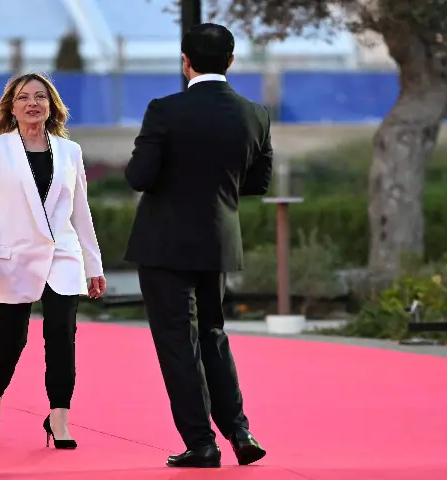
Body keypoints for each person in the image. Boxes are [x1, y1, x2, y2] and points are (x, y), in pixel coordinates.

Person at [123, 24, 273, 468]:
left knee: (177, 342)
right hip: (218, 242)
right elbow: (258, 183)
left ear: (185, 61)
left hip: (164, 245)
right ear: (230, 61)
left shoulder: (165, 110)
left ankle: (201, 442)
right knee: (213, 334)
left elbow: (139, 177)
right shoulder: (256, 114)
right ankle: (240, 431)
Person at [0, 73, 106, 449]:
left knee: (62, 337)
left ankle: (59, 416)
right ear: (11, 107)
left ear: (52, 105)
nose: (33, 103)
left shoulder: (70, 151)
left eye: (40, 97)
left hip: (62, 256)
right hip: (9, 259)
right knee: (11, 339)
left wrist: (94, 265)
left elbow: (81, 213)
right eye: (24, 97)